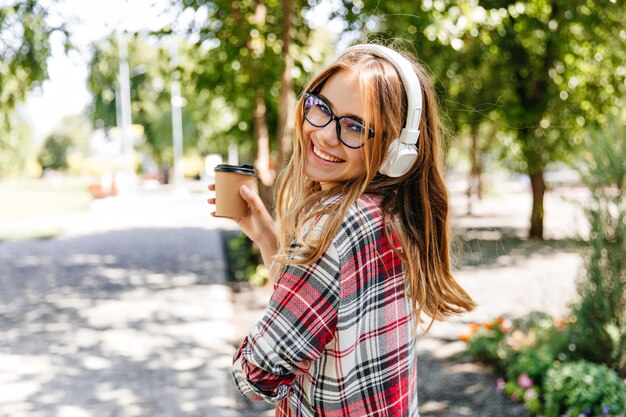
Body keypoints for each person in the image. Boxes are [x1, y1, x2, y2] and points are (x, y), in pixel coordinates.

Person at [208, 43, 476, 417]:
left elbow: (257, 374)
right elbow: (330, 312)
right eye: (322, 109)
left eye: (354, 126)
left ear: (395, 151)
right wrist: (269, 239)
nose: (326, 135)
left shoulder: (333, 226)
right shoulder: (391, 215)